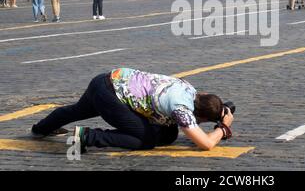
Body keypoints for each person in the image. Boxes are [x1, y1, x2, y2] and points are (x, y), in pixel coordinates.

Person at [31, 68, 235, 152]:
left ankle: (41, 128)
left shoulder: (189, 89)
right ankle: (87, 137)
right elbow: (206, 144)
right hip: (112, 97)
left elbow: (200, 106)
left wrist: (219, 109)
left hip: (107, 79)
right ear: (198, 116)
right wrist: (223, 128)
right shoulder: (181, 109)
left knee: (76, 110)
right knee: (146, 140)